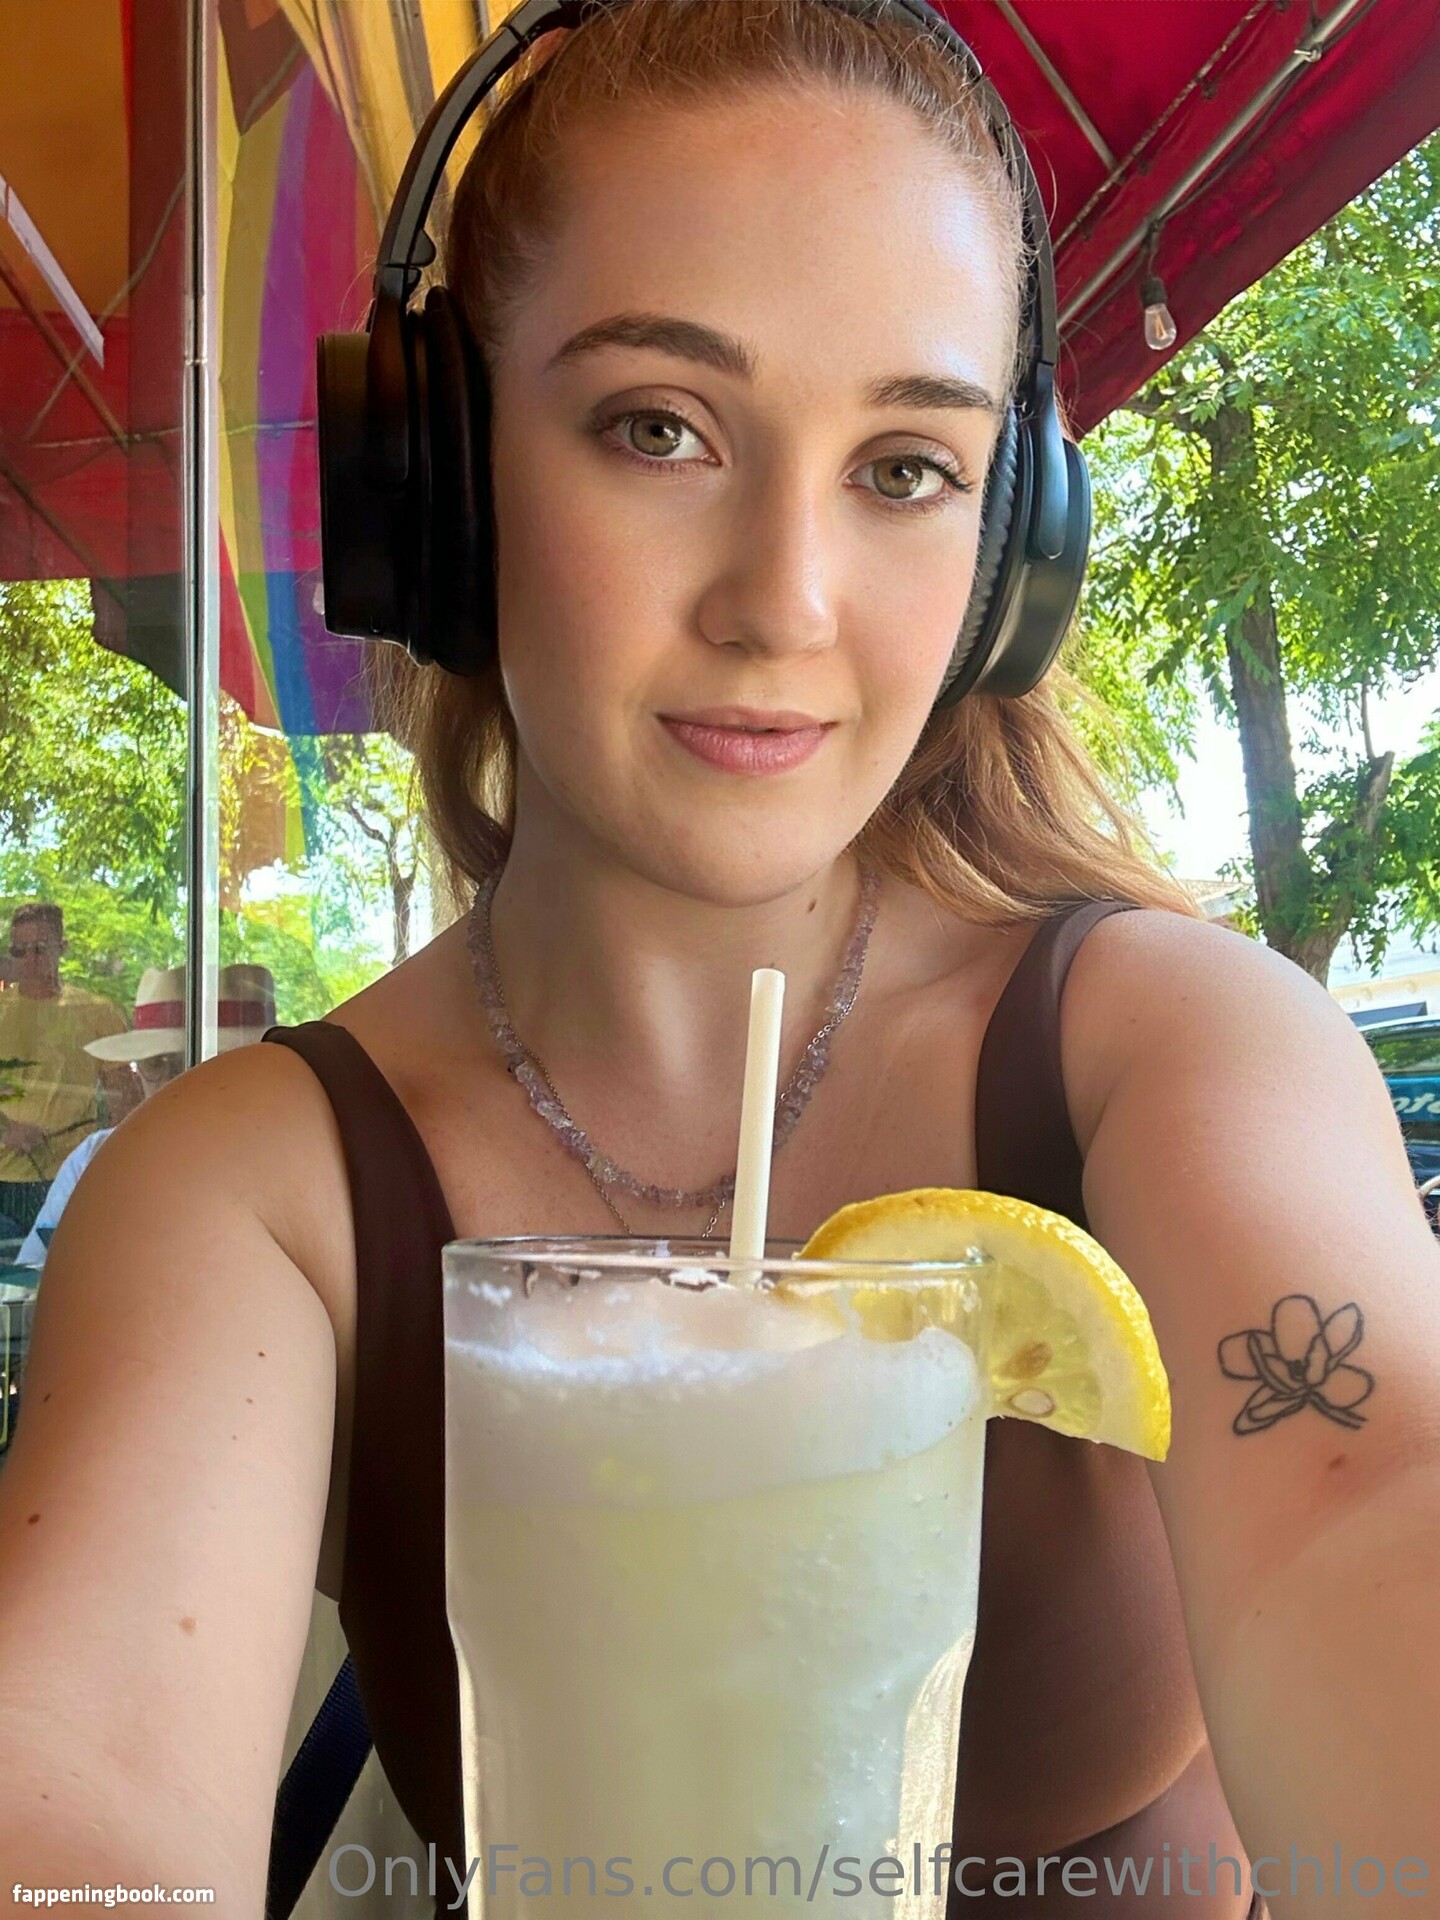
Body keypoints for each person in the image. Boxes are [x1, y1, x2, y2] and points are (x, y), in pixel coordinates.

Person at [2, 2, 1438, 1912]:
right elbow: (81, 1769)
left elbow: (1371, 1504)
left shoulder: (1172, 1049)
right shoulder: (250, 1192)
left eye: (906, 467)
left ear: (1010, 556)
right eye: (657, 428)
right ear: (440, 479)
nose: (785, 601)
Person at [12, 965, 277, 1270]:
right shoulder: (94, 1159)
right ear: (137, 1075)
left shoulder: (291, 1163)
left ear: (252, 1072)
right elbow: (28, 1281)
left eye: (202, 1062)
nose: (175, 1081)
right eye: (155, 1063)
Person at [0, 903, 128, 1242]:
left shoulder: (97, 1012)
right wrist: (7, 1130)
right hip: (2, 1178)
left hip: (68, 1178)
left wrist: (112, 1169)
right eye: (19, 951)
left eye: (39, 948)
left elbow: (125, 1100)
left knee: (61, 1268)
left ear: (62, 947)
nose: (29, 960)